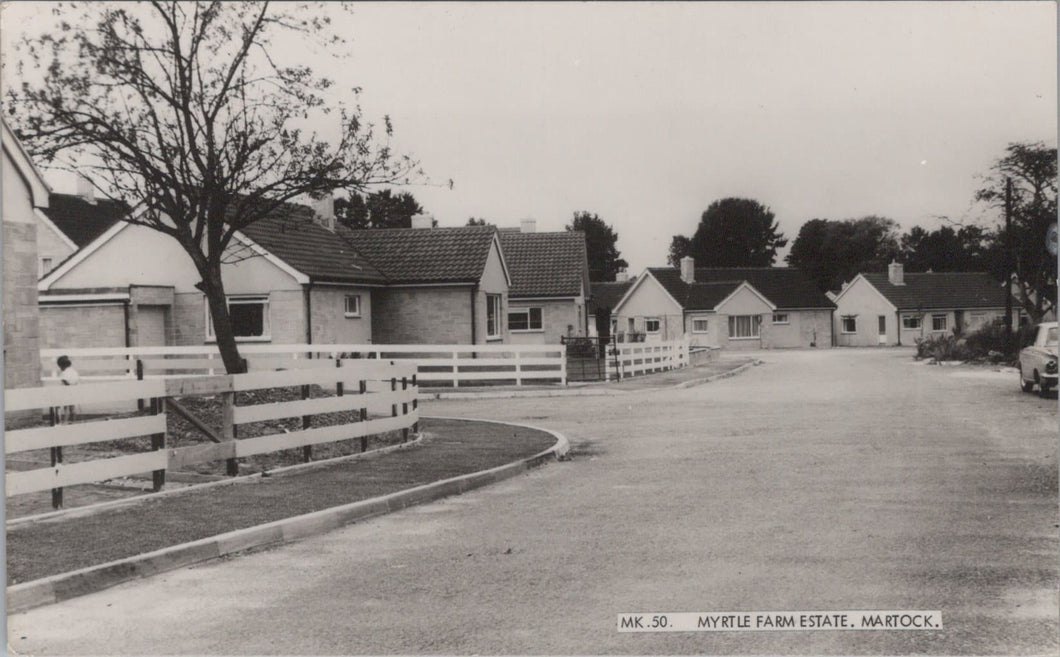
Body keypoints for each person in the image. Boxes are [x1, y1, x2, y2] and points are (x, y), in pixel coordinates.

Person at [56, 355, 80, 423]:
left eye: (60, 367)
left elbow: (64, 381)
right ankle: (73, 422)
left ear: (63, 365)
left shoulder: (64, 373)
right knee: (72, 408)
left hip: (67, 392)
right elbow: (76, 381)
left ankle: (65, 421)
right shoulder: (74, 372)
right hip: (74, 391)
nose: (60, 368)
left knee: (66, 408)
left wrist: (68, 388)